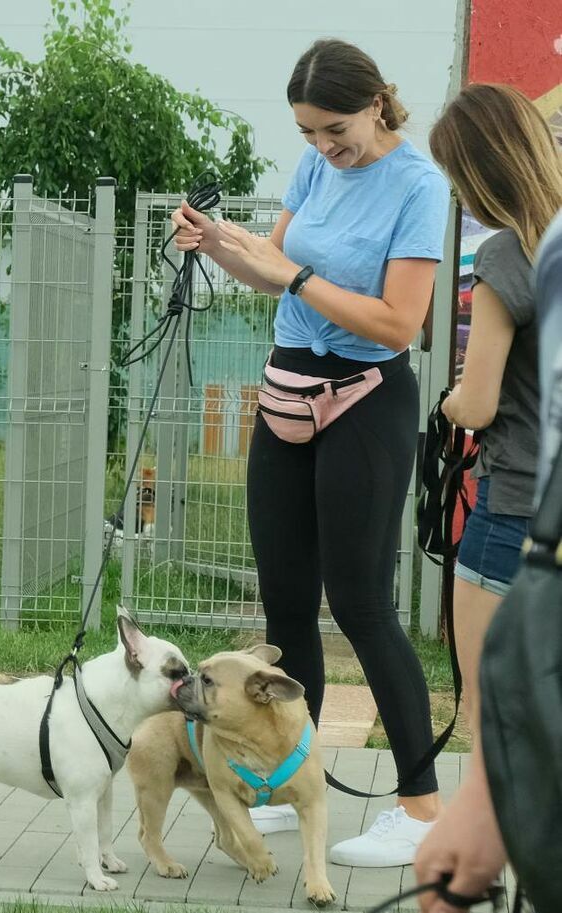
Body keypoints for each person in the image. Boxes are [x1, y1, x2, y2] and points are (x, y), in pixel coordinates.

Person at [172, 38, 449, 866]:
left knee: (361, 604)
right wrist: (219, 245)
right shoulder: (315, 169)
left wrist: (291, 277)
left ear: (375, 103)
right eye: (308, 135)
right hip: (286, 389)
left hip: (367, 397)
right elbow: (273, 268)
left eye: (335, 130)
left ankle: (423, 807)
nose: (325, 148)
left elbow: (400, 323)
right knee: (287, 605)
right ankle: (295, 780)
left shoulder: (419, 184)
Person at [414, 87, 562, 913]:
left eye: (459, 178)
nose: (460, 197)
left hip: (507, 515)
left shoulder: (506, 255)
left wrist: (445, 408)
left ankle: (489, 884)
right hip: (558, 516)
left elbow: (477, 399)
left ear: (481, 169)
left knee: (489, 718)